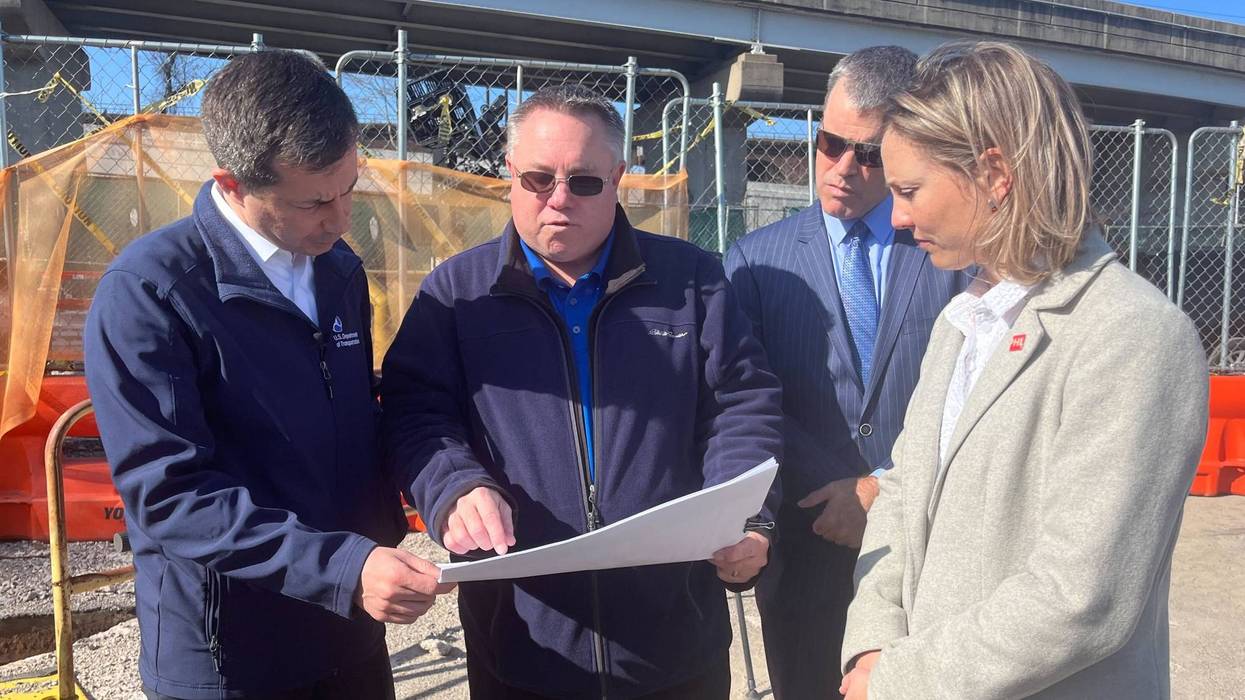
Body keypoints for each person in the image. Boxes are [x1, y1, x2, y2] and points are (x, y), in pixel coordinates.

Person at [380, 83, 783, 699]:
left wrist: (746, 517)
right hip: (521, 645)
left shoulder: (692, 281)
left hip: (674, 643)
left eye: (585, 181)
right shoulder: (456, 294)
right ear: (510, 173)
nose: (559, 198)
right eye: (539, 178)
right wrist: (454, 486)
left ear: (618, 178)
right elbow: (416, 413)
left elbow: (740, 403)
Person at [838, 41, 1208, 699]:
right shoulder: (964, 320)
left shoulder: (1130, 333)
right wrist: (871, 640)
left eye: (909, 190)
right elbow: (903, 491)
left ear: (994, 174)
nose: (896, 217)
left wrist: (896, 679)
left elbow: (1080, 597)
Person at [84, 51, 453, 700]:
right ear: (231, 184)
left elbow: (357, 420)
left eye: (350, 187)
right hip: (231, 652)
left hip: (349, 624)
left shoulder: (337, 269)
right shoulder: (152, 292)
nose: (341, 219)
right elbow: (169, 492)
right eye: (314, 202)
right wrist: (343, 566)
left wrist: (447, 486)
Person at [723, 45, 963, 699]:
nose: (841, 169)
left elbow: (969, 395)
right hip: (806, 540)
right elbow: (746, 400)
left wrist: (881, 489)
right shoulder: (755, 262)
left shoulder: (949, 254)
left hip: (925, 542)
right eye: (829, 144)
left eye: (869, 154)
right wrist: (827, 491)